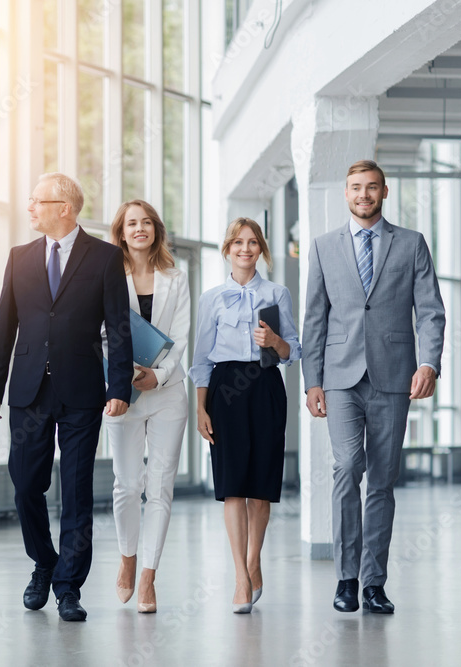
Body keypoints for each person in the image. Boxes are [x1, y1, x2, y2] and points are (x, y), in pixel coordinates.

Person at [0, 172, 133, 622]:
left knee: (77, 490)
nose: (29, 208)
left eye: (37, 201)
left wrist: (119, 386)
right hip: (29, 389)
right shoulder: (19, 257)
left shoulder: (104, 257)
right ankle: (44, 560)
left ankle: (69, 586)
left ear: (64, 208)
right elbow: (3, 325)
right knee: (27, 484)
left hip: (82, 390)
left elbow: (119, 325)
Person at [302, 160, 445, 615]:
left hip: (394, 376)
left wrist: (429, 363)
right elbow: (314, 318)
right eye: (355, 188)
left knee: (382, 481)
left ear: (384, 192)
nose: (363, 194)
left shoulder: (411, 243)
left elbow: (430, 311)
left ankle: (373, 583)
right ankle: (346, 577)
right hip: (340, 379)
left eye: (371, 188)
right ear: (346, 194)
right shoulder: (324, 247)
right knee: (347, 468)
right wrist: (312, 381)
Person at [189, 217, 301, 614]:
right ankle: (240, 575)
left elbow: (295, 352)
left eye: (253, 242)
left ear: (261, 250)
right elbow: (201, 359)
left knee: (262, 485)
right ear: (227, 249)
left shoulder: (277, 293)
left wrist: (274, 341)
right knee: (232, 486)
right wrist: (200, 406)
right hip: (225, 390)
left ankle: (255, 560)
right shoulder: (211, 299)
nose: (245, 249)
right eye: (238, 242)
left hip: (266, 386)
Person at [104, 200, 190, 614]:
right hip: (124, 394)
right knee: (126, 484)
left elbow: (181, 335)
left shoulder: (176, 277)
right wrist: (127, 373)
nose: (140, 229)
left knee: (160, 487)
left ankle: (148, 576)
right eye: (131, 224)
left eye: (146, 223)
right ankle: (127, 557)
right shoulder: (106, 277)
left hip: (167, 395)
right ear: (121, 232)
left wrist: (159, 375)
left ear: (156, 229)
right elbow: (98, 334)